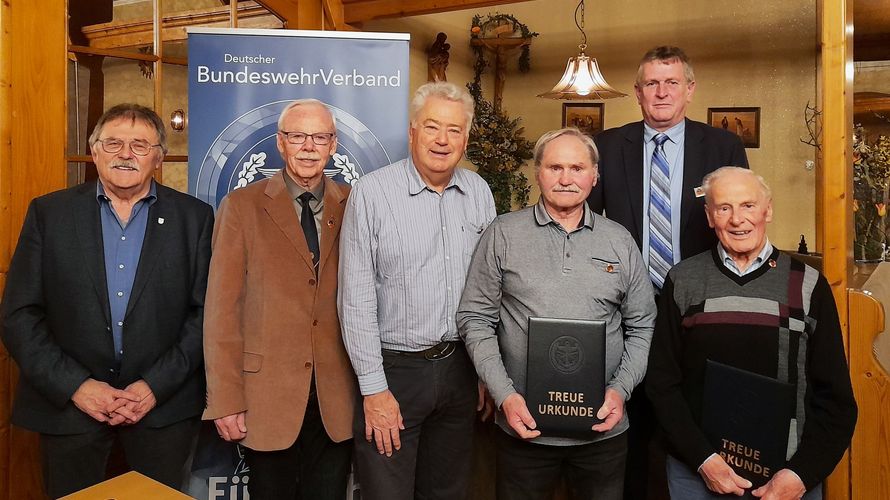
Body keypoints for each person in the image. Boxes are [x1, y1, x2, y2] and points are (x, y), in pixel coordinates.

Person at [0, 103, 213, 498]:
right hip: (70, 411)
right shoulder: (50, 213)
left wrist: (153, 386)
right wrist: (77, 386)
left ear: (159, 157)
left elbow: (205, 316)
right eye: (113, 142)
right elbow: (19, 315)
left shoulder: (195, 218)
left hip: (161, 413)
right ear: (94, 150)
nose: (125, 154)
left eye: (139, 145)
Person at [457, 128, 656, 500]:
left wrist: (621, 390)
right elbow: (475, 318)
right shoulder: (503, 234)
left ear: (595, 176)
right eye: (555, 167)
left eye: (577, 168)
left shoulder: (619, 240)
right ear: (538, 173)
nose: (566, 179)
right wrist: (504, 395)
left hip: (604, 432)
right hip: (523, 427)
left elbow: (642, 325)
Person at [586, 46, 749, 499]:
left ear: (689, 90)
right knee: (629, 426)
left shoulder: (722, 146)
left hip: (698, 309)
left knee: (697, 420)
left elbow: (735, 224)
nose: (661, 92)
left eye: (671, 82)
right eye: (651, 84)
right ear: (637, 93)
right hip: (625, 311)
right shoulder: (605, 146)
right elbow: (590, 233)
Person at [646, 166, 857, 500]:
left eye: (748, 205)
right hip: (697, 473)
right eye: (724, 208)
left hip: (787, 478)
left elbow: (836, 400)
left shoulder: (808, 284)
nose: (737, 219)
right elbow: (661, 383)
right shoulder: (683, 280)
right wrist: (703, 460)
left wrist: (802, 475)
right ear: (709, 216)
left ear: (767, 210)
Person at [338, 81, 496, 500]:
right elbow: (355, 299)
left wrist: (484, 370)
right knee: (386, 492)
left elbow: (488, 291)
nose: (442, 140)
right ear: (412, 132)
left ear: (466, 138)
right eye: (431, 127)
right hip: (395, 373)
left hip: (461, 369)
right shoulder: (371, 194)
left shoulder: (479, 192)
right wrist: (373, 389)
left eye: (454, 130)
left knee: (448, 492)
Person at [203, 99, 356, 500]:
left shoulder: (357, 204)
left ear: (333, 145)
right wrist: (224, 400)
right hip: (265, 397)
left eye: (319, 137)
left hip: (336, 398)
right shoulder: (242, 207)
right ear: (280, 143)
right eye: (298, 137)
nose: (308, 146)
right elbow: (222, 312)